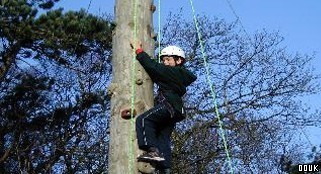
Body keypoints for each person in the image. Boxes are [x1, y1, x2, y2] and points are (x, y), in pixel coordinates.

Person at [130, 41, 197, 173]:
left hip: (169, 106)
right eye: (163, 60)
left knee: (144, 120)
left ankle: (153, 151)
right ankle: (165, 168)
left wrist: (139, 51)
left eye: (168, 59)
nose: (165, 62)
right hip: (175, 110)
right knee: (162, 135)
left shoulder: (174, 72)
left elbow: (153, 67)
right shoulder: (177, 75)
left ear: (178, 61)